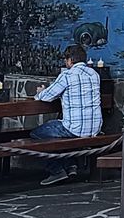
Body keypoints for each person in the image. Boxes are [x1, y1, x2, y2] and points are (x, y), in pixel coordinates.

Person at [31, 44, 103, 185]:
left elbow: (46, 97)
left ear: (70, 60)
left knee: (36, 134)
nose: (65, 62)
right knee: (60, 130)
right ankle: (71, 166)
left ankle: (56, 170)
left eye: (66, 60)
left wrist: (40, 92)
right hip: (95, 129)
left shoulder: (67, 75)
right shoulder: (94, 74)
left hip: (74, 128)